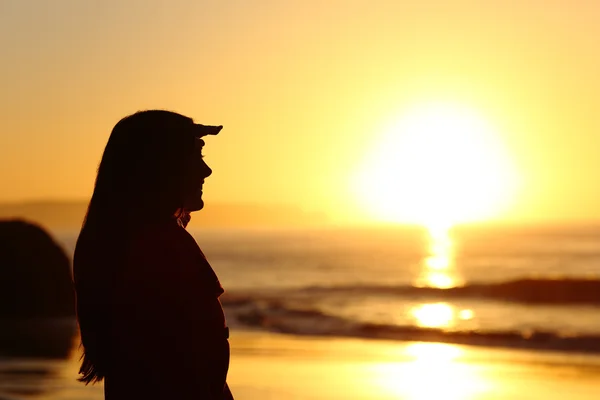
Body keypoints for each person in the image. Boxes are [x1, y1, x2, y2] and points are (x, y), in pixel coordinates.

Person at [73, 110, 234, 399]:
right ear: (161, 167)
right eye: (195, 156)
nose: (205, 171)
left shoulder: (125, 246)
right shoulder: (162, 251)